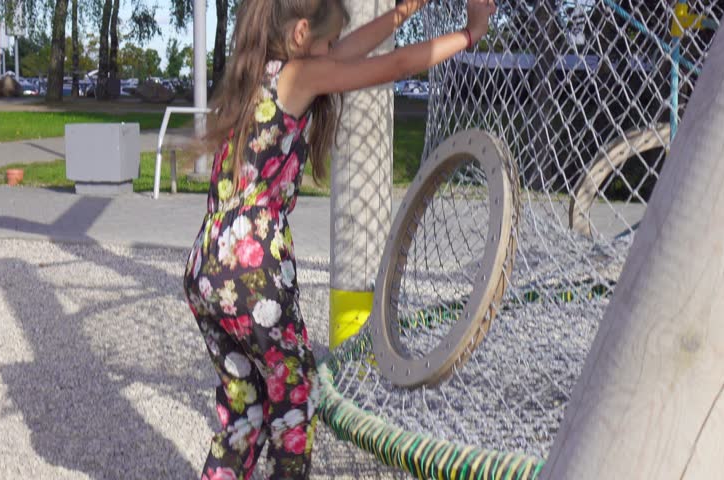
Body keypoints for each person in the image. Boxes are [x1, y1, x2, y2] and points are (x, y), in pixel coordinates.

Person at [183, 0, 496, 478]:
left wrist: (399, 15)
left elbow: (348, 51)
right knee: (294, 398)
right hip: (251, 272)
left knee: (244, 405)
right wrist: (469, 35)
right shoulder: (296, 77)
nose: (332, 53)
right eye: (326, 43)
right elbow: (391, 66)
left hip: (207, 265)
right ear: (302, 33)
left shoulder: (258, 78)